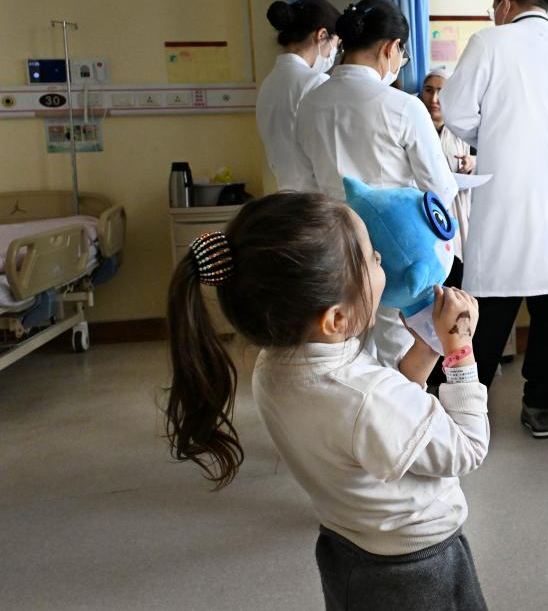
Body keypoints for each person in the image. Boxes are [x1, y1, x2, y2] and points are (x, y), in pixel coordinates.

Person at [163, 192, 488, 611]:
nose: (381, 261)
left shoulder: (274, 368)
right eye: (371, 258)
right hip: (417, 565)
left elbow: (378, 425)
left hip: (348, 547)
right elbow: (468, 447)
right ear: (335, 318)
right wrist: (460, 348)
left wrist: (426, 350)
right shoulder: (365, 396)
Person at [440, 0, 548, 438]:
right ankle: (541, 408)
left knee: (491, 302)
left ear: (505, 3)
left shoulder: (490, 43)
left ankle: (469, 406)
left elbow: (455, 111)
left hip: (507, 195)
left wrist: (491, 137)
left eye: (494, 6)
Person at [295, 0, 458, 368]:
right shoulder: (402, 107)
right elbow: (440, 190)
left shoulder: (310, 105)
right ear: (390, 48)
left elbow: (306, 185)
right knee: (398, 354)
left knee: (345, 352)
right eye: (402, 53)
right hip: (395, 253)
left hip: (335, 247)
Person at [255, 0, 341, 190]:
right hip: (316, 196)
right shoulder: (316, 82)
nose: (334, 53)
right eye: (336, 45)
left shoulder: (269, 83)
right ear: (322, 35)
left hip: (286, 192)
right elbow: (330, 154)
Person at [419, 67, 475, 285]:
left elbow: (486, 162)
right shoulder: (415, 127)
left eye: (441, 91)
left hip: (457, 215)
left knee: (456, 278)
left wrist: (472, 162)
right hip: (422, 213)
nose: (434, 98)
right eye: (428, 90)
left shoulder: (464, 131)